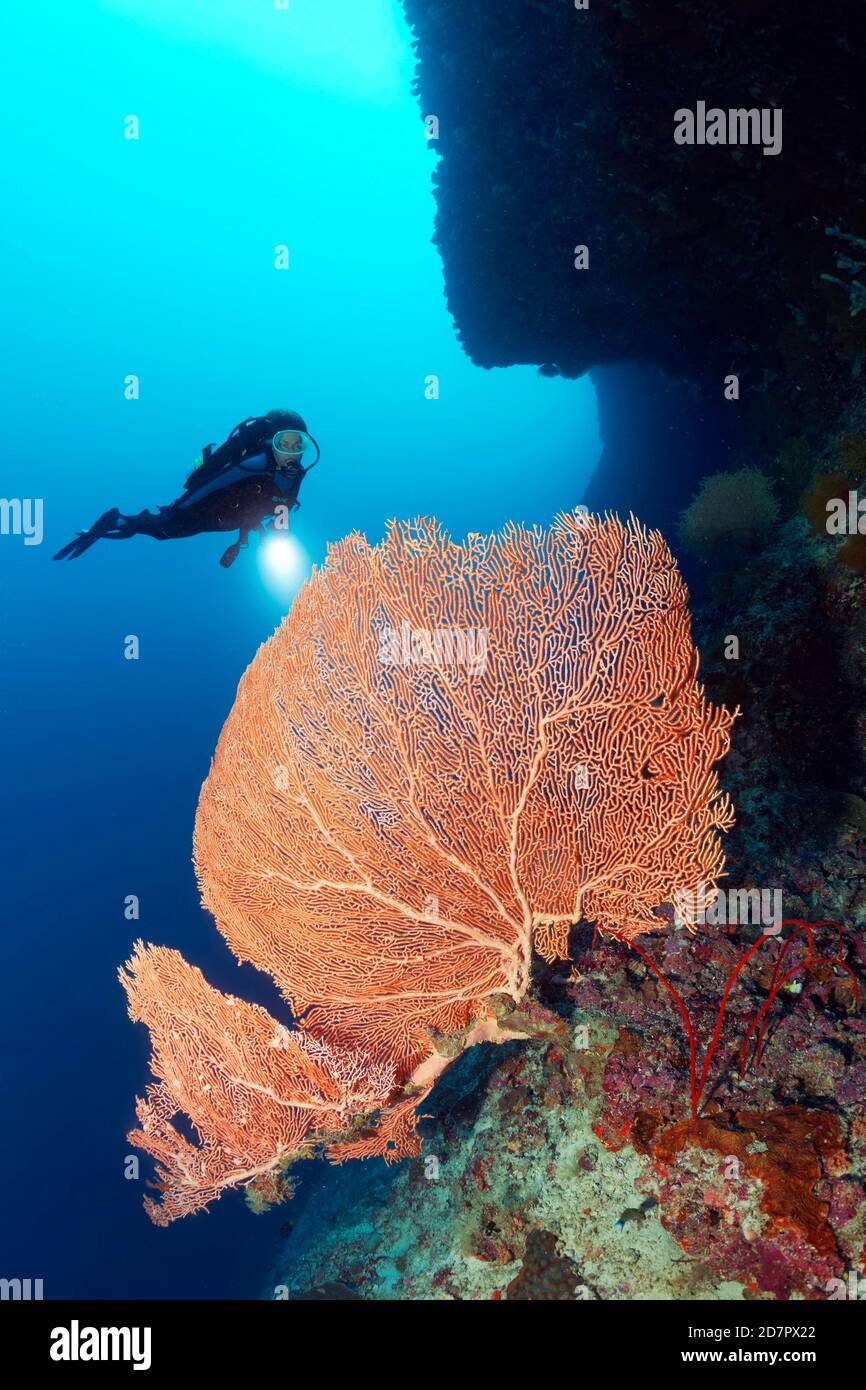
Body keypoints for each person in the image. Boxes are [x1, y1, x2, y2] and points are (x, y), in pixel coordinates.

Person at [54, 409, 319, 568]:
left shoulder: (296, 476)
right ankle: (117, 519)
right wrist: (179, 506)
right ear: (273, 443)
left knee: (164, 532)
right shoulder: (255, 462)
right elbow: (210, 484)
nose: (292, 453)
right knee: (163, 529)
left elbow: (282, 506)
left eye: (299, 446)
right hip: (205, 510)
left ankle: (125, 521)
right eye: (286, 444)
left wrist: (279, 530)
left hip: (231, 521)